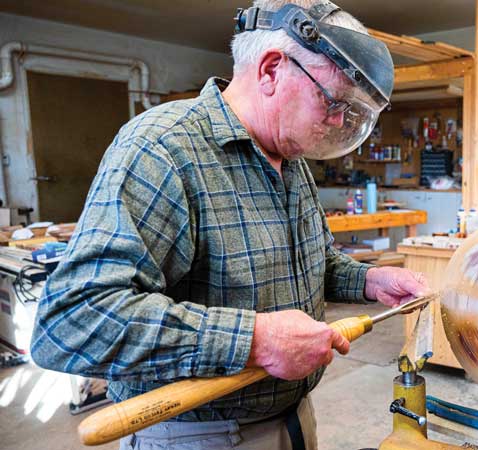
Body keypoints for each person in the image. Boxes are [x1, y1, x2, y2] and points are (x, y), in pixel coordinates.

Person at [30, 1, 427, 449]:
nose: (337, 121)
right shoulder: (163, 148)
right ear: (272, 70)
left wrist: (371, 279)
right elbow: (72, 320)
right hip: (195, 434)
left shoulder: (289, 157)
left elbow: (308, 264)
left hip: (294, 419)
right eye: (333, 101)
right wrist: (254, 341)